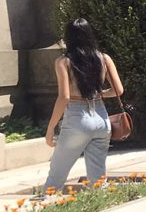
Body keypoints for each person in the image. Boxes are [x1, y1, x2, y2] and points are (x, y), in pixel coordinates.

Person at [43, 19, 124, 194]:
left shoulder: (63, 62)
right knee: (98, 179)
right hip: (102, 119)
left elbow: (64, 97)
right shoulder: (104, 58)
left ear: (69, 38)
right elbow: (118, 90)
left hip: (77, 119)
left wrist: (50, 128)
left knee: (55, 177)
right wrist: (97, 94)